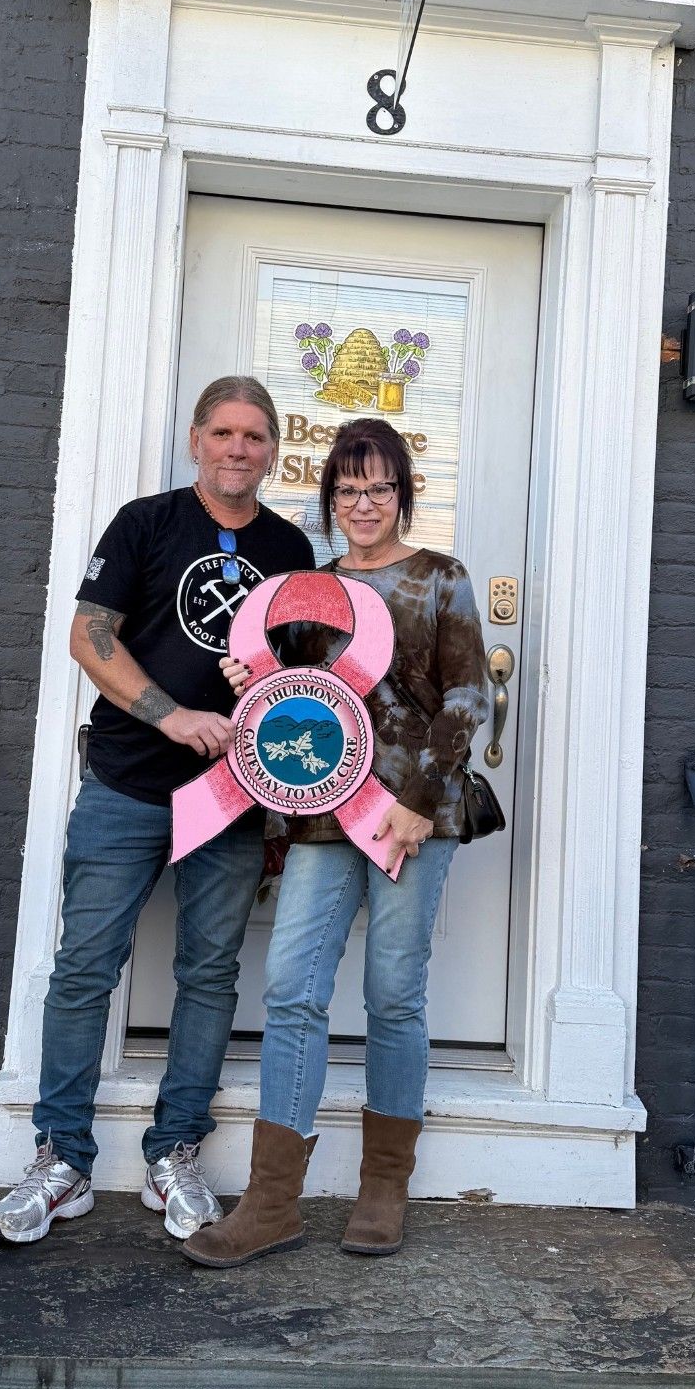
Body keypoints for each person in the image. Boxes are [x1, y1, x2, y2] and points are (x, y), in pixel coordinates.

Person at [0, 377, 315, 1247]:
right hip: (128, 781)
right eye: (223, 433)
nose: (238, 449)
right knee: (85, 967)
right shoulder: (145, 523)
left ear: (272, 450)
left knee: (209, 974)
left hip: (233, 794)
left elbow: (303, 674)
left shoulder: (290, 549)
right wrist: (172, 715)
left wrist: (269, 695)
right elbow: (89, 636)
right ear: (196, 440)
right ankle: (62, 1160)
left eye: (254, 436)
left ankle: (175, 1152)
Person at [185, 417, 489, 1269]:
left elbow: (469, 697)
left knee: (393, 994)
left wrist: (421, 800)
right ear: (329, 501)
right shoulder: (308, 592)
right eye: (348, 489)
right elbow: (290, 697)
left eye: (378, 487)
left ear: (402, 495)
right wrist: (249, 678)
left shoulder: (442, 578)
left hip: (414, 819)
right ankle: (272, 1202)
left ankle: (383, 1187)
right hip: (324, 816)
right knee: (292, 989)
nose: (363, 504)